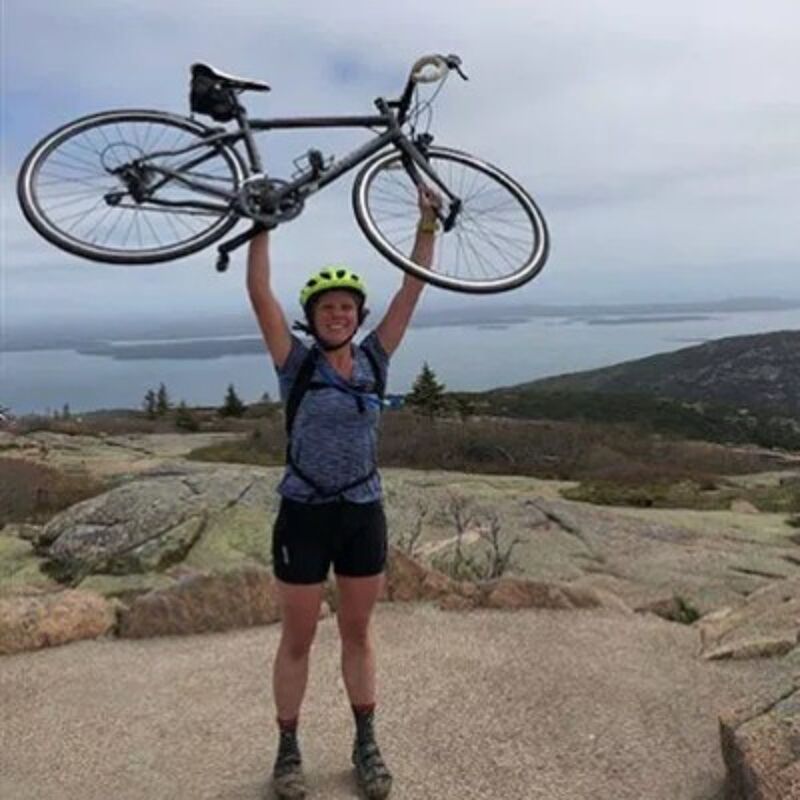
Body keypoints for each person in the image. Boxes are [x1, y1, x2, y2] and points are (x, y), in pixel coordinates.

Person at [246, 185, 441, 800]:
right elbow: (259, 296)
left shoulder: (377, 360)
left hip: (361, 512)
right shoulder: (295, 363)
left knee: (358, 634)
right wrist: (261, 226)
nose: (338, 314)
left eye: (347, 308)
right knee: (298, 638)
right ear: (314, 315)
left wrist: (427, 225)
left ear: (358, 315)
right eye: (327, 307)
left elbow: (412, 289)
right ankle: (287, 750)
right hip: (302, 514)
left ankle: (366, 743)